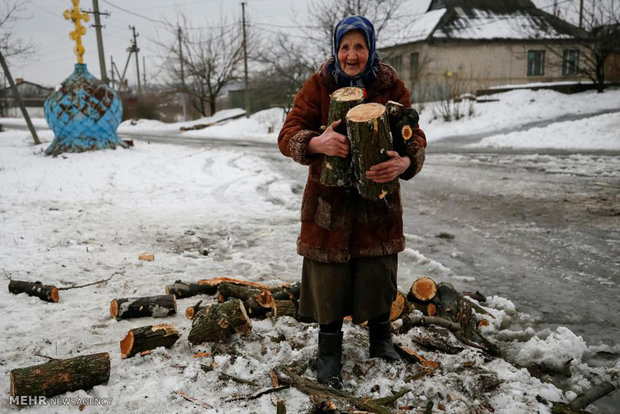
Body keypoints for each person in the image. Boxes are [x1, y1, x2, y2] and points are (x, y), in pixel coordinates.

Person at [277, 15, 427, 389]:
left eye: (359, 46)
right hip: (329, 205)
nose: (352, 55)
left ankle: (381, 340)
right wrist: (316, 143)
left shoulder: (388, 84)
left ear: (371, 48)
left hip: (377, 203)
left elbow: (414, 134)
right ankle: (329, 353)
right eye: (345, 47)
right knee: (329, 282)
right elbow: (288, 133)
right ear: (336, 49)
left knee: (378, 272)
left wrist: (406, 161)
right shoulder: (319, 85)